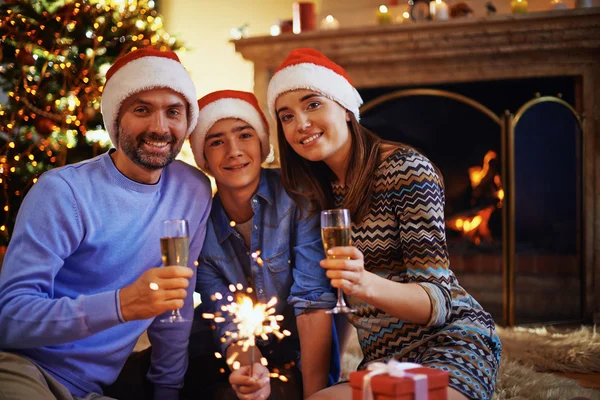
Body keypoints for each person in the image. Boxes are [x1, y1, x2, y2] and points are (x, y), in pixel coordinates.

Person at [268, 48, 502, 400]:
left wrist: (362, 283)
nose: (300, 123)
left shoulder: (406, 171)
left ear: (346, 108)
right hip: (382, 359)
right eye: (286, 116)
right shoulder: (314, 189)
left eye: (313, 104)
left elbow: (438, 303)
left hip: (450, 342)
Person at [0, 48, 212, 400]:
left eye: (173, 111)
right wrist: (122, 304)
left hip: (92, 390)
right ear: (116, 120)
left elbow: (177, 307)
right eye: (141, 109)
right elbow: (8, 319)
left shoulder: (193, 190)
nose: (160, 127)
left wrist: (167, 390)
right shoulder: (63, 192)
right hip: (23, 368)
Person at [188, 90, 340, 400]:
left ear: (262, 145)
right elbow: (224, 315)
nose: (234, 151)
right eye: (216, 142)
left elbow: (313, 301)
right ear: (203, 158)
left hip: (297, 352)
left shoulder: (300, 199)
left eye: (244, 135)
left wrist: (315, 395)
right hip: (228, 349)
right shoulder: (199, 224)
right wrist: (250, 369)